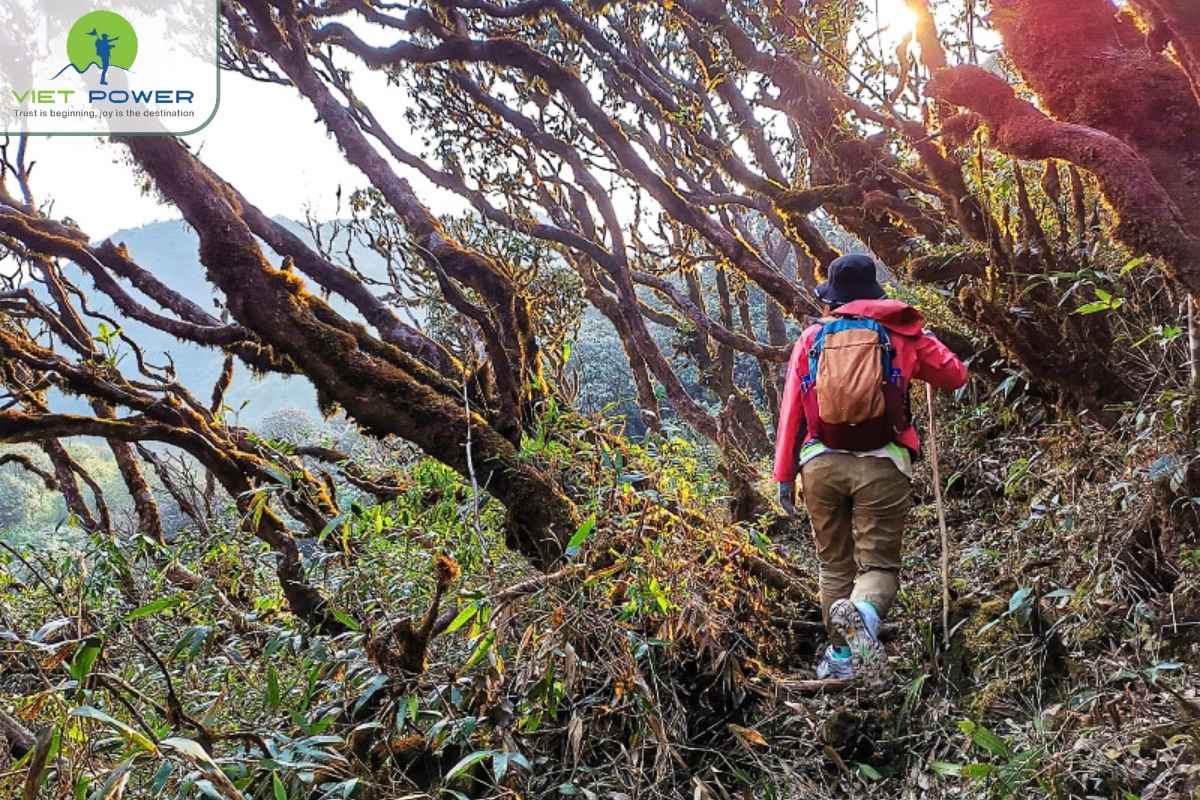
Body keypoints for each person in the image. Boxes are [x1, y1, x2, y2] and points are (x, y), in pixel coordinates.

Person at [773, 254, 967, 683]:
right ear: (875, 291)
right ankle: (861, 615)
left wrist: (783, 476)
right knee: (877, 566)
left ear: (834, 299)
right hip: (884, 463)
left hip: (820, 463)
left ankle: (842, 656)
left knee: (833, 566)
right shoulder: (904, 332)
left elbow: (791, 414)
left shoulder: (811, 339)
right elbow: (955, 376)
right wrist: (926, 340)